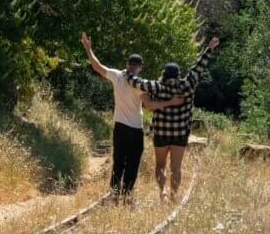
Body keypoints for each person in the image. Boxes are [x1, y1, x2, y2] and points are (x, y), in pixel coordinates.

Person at [80, 33, 184, 199]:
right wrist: (170, 102)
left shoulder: (116, 75)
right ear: (140, 67)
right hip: (135, 130)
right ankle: (127, 195)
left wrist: (88, 49)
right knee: (133, 164)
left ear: (127, 64)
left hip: (119, 128)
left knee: (118, 162)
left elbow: (97, 66)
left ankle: (114, 194)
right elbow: (150, 105)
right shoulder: (139, 84)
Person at [124, 36, 221, 202]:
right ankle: (174, 196)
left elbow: (136, 82)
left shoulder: (157, 86)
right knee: (176, 167)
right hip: (180, 134)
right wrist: (209, 49)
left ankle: (162, 192)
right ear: (178, 74)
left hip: (161, 133)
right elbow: (198, 68)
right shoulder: (188, 84)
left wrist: (128, 71)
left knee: (160, 166)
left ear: (164, 73)